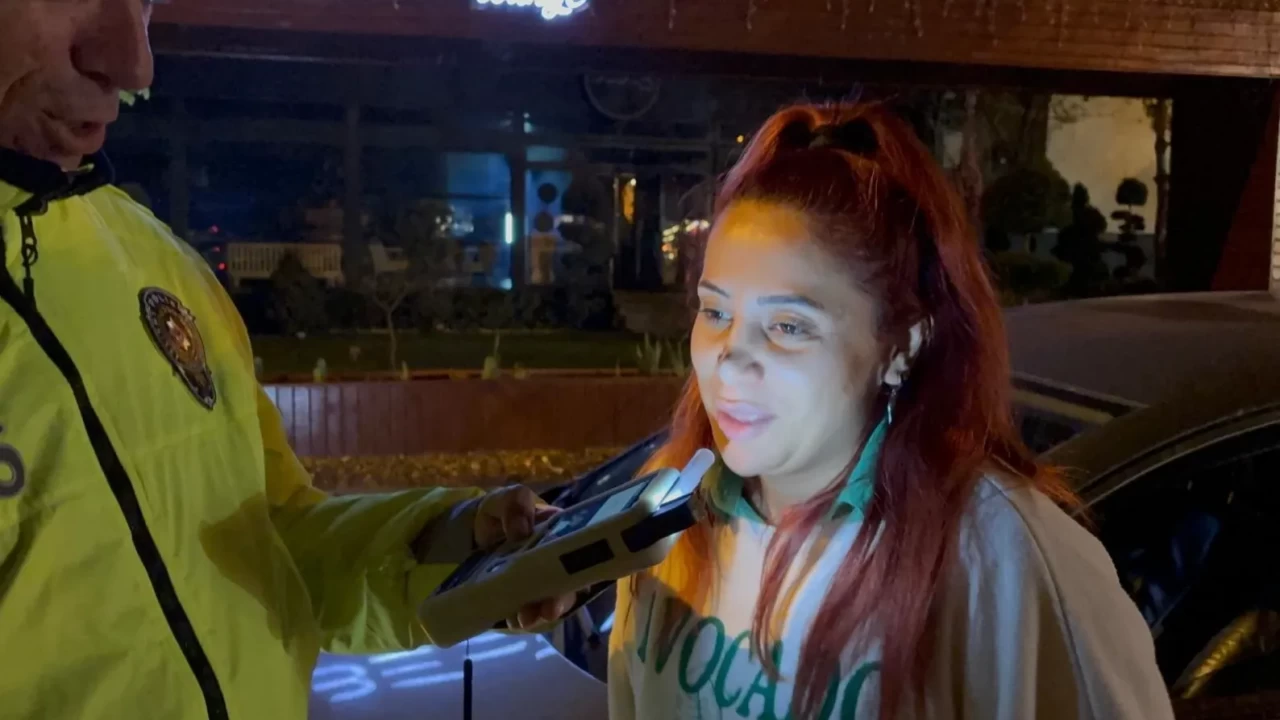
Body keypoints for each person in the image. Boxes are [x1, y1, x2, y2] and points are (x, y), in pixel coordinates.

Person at [0, 1, 582, 718]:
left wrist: (459, 548)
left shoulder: (156, 260)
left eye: (144, 1)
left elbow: (272, 544)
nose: (133, 63)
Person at [608, 103, 1176, 720]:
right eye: (716, 311)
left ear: (899, 348)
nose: (729, 359)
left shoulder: (1002, 556)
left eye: (788, 326)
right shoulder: (671, 514)